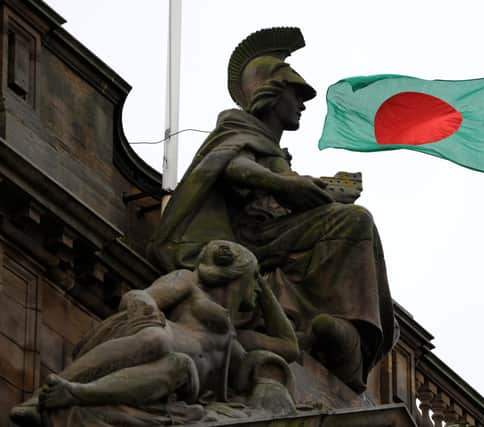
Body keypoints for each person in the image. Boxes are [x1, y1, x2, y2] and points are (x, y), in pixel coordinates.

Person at [148, 27, 396, 393]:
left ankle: (347, 333)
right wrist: (287, 184)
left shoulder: (274, 150)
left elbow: (287, 192)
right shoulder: (236, 128)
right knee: (355, 222)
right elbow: (233, 167)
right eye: (296, 94)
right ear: (270, 94)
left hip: (271, 235)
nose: (303, 103)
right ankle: (348, 339)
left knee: (353, 220)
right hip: (241, 238)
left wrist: (324, 189)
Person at [11, 240, 298, 426]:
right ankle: (41, 397)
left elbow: (289, 346)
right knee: (157, 340)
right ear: (239, 274)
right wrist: (148, 313)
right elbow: (140, 296)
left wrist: (262, 287)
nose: (259, 290)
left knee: (181, 365)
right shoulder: (189, 282)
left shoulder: (235, 340)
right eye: (255, 280)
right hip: (156, 341)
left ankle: (75, 393)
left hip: (184, 380)